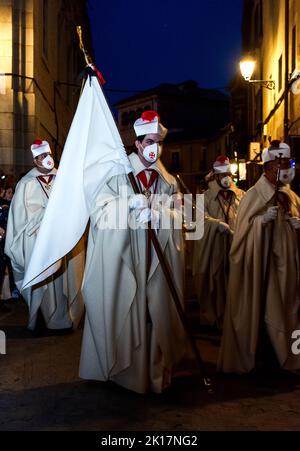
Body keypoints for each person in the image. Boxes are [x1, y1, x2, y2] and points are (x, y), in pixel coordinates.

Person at [79, 111, 186, 393]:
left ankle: (153, 373)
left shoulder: (169, 181)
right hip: (127, 256)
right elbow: (99, 211)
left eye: (159, 143)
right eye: (149, 142)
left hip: (156, 258)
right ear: (137, 144)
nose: (155, 148)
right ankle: (126, 373)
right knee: (129, 310)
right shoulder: (117, 174)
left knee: (155, 314)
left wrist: (158, 212)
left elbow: (181, 218)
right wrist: (127, 205)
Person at [218, 141, 300, 374]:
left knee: (290, 309)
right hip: (265, 266)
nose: (287, 168)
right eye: (282, 164)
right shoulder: (254, 195)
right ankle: (268, 357)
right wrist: (260, 223)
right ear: (269, 167)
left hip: (289, 267)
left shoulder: (291, 195)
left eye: (289, 163)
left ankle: (290, 355)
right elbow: (241, 238)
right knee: (267, 309)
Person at [5, 139, 85, 332]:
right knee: (43, 282)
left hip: (63, 241)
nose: (46, 159)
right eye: (41, 157)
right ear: (35, 161)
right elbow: (21, 216)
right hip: (39, 241)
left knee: (64, 279)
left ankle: (65, 318)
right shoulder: (25, 183)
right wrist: (47, 213)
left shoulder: (64, 179)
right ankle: (42, 318)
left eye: (48, 155)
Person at [192, 156, 244, 328]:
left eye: (228, 173)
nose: (226, 178)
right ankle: (216, 318)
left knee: (236, 282)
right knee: (216, 282)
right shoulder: (204, 197)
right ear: (215, 176)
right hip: (214, 249)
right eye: (222, 175)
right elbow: (198, 221)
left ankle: (234, 317)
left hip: (235, 246)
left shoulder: (241, 195)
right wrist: (215, 225)